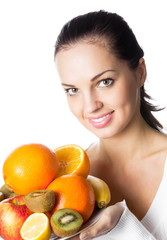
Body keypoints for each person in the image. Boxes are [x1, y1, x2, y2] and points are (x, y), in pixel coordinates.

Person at [54, 10, 167, 240]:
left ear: (140, 73)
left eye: (104, 82)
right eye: (73, 90)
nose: (90, 106)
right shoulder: (60, 179)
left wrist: (123, 225)